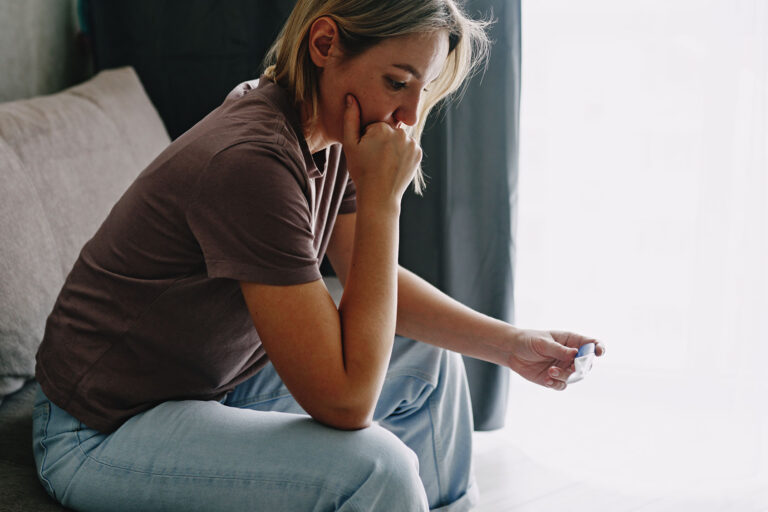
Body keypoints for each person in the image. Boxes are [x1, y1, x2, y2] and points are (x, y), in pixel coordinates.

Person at [32, 1, 605, 511]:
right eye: (396, 82)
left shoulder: (325, 131)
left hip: (209, 382)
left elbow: (368, 276)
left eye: (422, 89)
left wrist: (511, 345)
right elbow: (347, 402)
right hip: (102, 428)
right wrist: (383, 202)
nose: (408, 117)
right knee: (376, 470)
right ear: (325, 43)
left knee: (431, 363)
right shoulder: (252, 161)